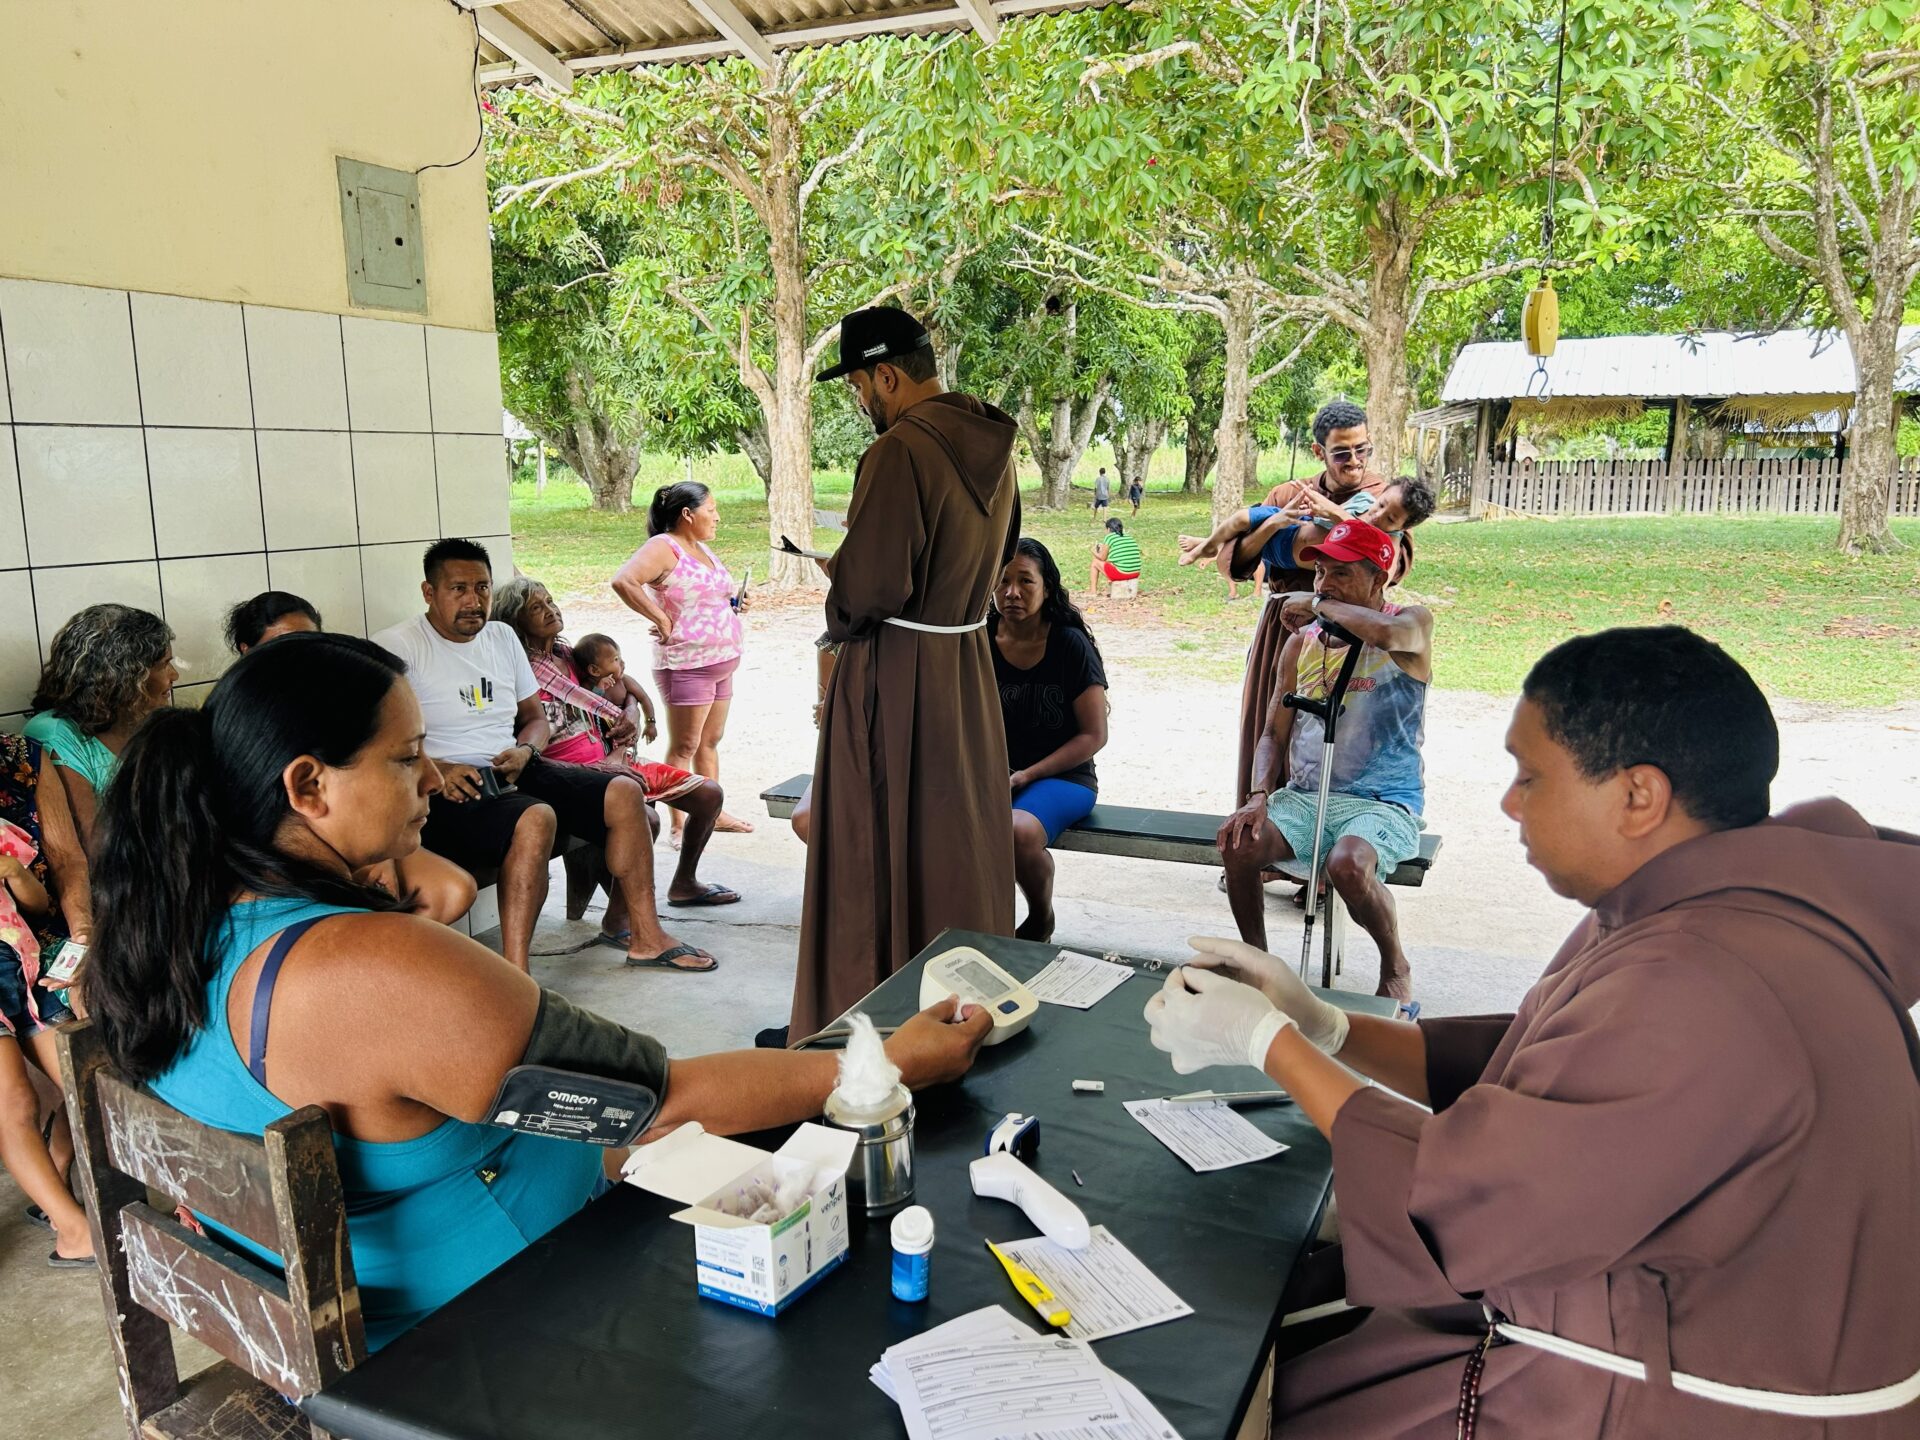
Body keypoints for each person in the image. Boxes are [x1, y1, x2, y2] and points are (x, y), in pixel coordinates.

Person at [85, 631, 992, 1351]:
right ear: (308, 785)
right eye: (407, 760)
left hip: (347, 1304)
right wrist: (883, 1064)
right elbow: (658, 1101)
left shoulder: (163, 933)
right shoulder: (374, 969)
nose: (434, 783)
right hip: (488, 1332)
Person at [1144, 626, 1920, 1439]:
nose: (1510, 804)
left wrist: (1269, 1041)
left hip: (1665, 1404)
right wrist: (1328, 1025)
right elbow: (1529, 1074)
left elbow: (1479, 1192)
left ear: (1638, 797)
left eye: (1530, 776)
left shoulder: (1712, 977)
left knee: (1233, 1394)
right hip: (1623, 1337)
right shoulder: (1707, 911)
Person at [790, 305, 1021, 1040]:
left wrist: (844, 579)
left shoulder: (901, 450)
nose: (862, 402)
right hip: (963, 666)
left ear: (886, 375)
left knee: (875, 846)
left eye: (860, 386)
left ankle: (870, 1024)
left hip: (898, 673)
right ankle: (963, 1003)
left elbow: (872, 590)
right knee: (954, 840)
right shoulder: (994, 444)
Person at [373, 539, 714, 974]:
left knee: (625, 792)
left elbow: (534, 719)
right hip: (446, 783)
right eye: (458, 589)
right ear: (429, 592)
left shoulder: (500, 637)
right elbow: (379, 742)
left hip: (516, 765)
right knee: (536, 819)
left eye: (482, 588)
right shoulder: (398, 646)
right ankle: (517, 974)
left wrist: (526, 748)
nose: (473, 600)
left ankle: (646, 936)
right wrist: (438, 768)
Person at [1217, 518, 1430, 999]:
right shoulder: (1301, 644)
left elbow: (1389, 634)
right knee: (1238, 843)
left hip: (1382, 801)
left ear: (1380, 577)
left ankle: (1394, 964)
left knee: (1349, 865)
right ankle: (1261, 964)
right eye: (1320, 575)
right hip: (1307, 798)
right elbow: (1274, 730)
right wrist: (1257, 796)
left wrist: (1315, 604)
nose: (1326, 584)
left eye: (1342, 574)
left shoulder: (1413, 623)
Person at [491, 577, 737, 927]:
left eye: (549, 600)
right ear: (515, 621)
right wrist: (602, 766)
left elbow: (621, 682)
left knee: (709, 795)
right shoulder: (518, 672)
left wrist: (633, 712)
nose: (550, 610)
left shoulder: (569, 655)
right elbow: (526, 748)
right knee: (645, 817)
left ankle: (684, 883)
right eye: (536, 607)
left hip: (617, 759)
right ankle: (619, 921)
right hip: (570, 775)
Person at [227, 591, 476, 927]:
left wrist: (379, 854)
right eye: (407, 758)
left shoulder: (339, 700)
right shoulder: (247, 723)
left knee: (451, 889)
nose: (434, 781)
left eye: (312, 642)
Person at [1223, 401, 1391, 807]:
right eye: (1342, 452)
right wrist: (1275, 527)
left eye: (1362, 450)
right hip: (1284, 626)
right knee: (1270, 725)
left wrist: (1310, 538)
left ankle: (1332, 854)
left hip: (1354, 632)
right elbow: (1236, 560)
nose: (1354, 462)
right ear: (1319, 452)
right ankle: (1257, 839)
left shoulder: (1382, 496)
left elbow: (1383, 560)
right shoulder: (1287, 493)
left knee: (1346, 738)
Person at [609, 483, 753, 842]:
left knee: (710, 741)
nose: (718, 516)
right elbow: (624, 581)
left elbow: (703, 596)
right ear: (687, 514)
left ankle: (712, 812)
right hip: (687, 664)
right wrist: (661, 619)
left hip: (722, 661)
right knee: (685, 745)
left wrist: (735, 603)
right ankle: (678, 823)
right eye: (711, 509)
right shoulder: (662, 546)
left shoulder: (701, 548)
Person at [0, 732, 94, 1267]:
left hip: (29, 952)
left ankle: (56, 1165)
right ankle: (72, 1229)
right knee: (13, 1099)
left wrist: (13, 873)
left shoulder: (22, 757)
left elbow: (45, 894)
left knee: (88, 1074)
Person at [991, 540, 1108, 943]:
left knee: (1018, 830)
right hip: (994, 775)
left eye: (1025, 581)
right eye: (1002, 581)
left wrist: (1027, 775)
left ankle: (1040, 917)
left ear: (1047, 587)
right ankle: (976, 921)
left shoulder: (1068, 644)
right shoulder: (979, 639)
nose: (1012, 592)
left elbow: (1094, 735)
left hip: (1064, 778)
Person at [26, 604, 178, 845]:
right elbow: (93, 848)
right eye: (163, 665)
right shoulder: (53, 734)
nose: (174, 675)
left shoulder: (145, 720)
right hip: (117, 876)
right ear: (124, 676)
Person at [1180, 477, 1435, 582]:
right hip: (1293, 526)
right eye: (1381, 504)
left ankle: (1210, 546)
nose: (1377, 515)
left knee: (1241, 538)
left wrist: (1335, 513)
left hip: (1287, 556)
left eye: (1390, 518)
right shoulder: (1364, 500)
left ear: (1403, 528)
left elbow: (1384, 571)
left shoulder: (1388, 542)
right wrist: (1310, 505)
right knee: (1239, 519)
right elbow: (1323, 518)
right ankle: (1207, 545)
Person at [1089, 517, 1143, 596]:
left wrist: (1093, 550)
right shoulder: (1128, 537)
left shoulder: (1109, 537)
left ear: (1108, 529)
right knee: (1112, 563)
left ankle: (1093, 592)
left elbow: (1102, 558)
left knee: (1095, 562)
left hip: (1123, 573)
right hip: (1135, 572)